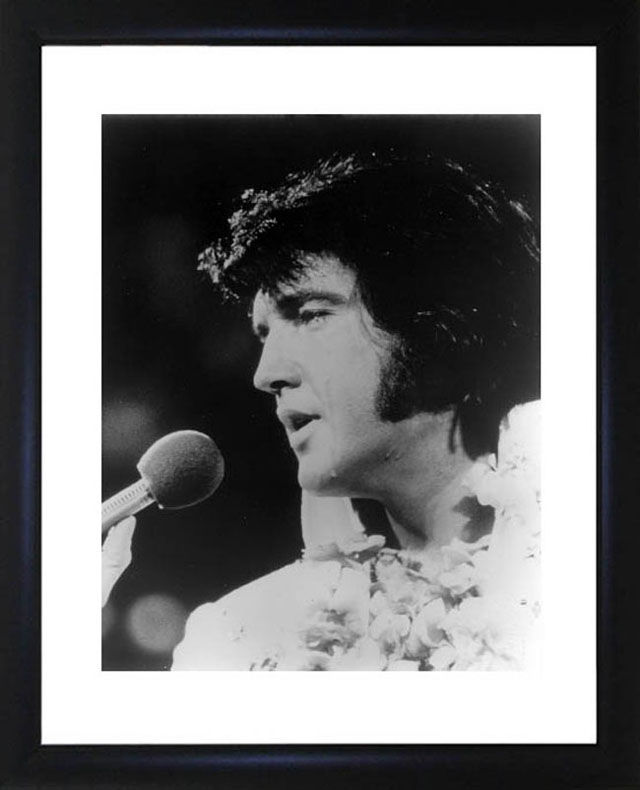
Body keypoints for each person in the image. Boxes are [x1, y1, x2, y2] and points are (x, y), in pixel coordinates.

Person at [104, 150, 541, 671]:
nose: (265, 374)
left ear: (441, 329)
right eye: (264, 335)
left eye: (311, 314)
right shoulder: (241, 643)